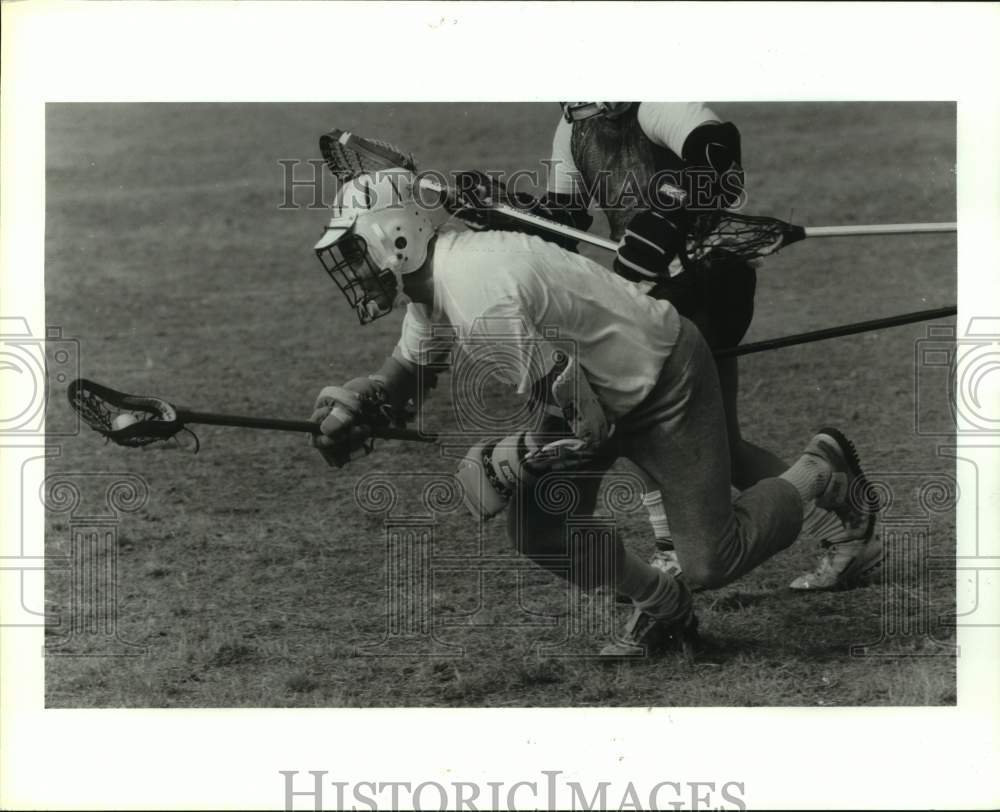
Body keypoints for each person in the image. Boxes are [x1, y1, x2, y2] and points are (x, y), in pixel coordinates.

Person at [307, 170, 880, 656]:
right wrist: (360, 405)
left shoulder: (477, 295)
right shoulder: (436, 286)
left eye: (357, 248)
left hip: (661, 379)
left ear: (397, 237)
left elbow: (585, 420)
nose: (353, 268)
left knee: (712, 559)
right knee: (538, 526)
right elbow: (406, 377)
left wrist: (513, 458)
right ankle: (663, 604)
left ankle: (818, 471)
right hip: (588, 387)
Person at [471, 101, 875, 590]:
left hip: (708, 280)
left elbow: (718, 150)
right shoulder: (574, 126)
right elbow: (567, 218)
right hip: (651, 294)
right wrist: (508, 215)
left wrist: (668, 215)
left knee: (644, 415)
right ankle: (846, 517)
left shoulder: (655, 101)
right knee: (721, 445)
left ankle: (673, 548)